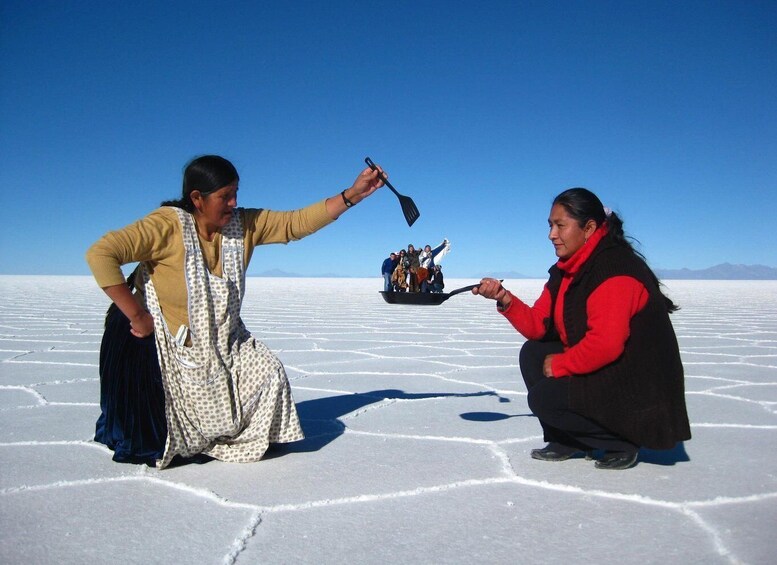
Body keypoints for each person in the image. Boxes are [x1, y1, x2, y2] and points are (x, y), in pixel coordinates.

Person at [86, 155, 385, 468]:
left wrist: (354, 194)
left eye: (235, 193)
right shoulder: (166, 225)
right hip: (165, 342)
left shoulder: (242, 225)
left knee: (269, 374)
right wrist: (137, 315)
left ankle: (248, 439)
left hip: (224, 337)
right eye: (224, 196)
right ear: (196, 199)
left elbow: (294, 223)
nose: (233, 202)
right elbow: (101, 253)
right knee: (172, 429)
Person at [473, 188, 690, 470]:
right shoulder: (567, 269)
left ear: (588, 228)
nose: (552, 234)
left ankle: (622, 441)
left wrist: (563, 364)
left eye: (560, 225)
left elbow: (606, 344)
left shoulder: (614, 270)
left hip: (638, 383)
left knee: (544, 398)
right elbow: (540, 326)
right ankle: (568, 440)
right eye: (550, 225)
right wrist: (504, 298)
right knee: (534, 353)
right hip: (612, 369)